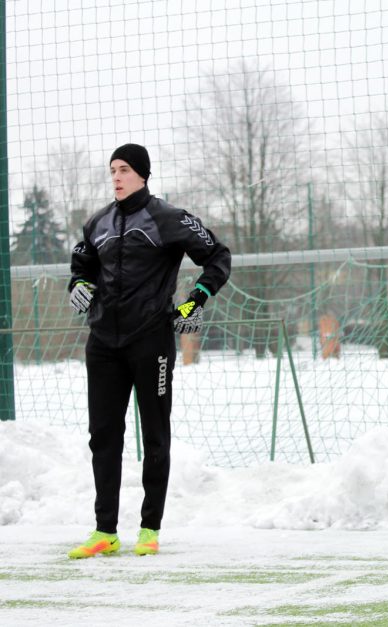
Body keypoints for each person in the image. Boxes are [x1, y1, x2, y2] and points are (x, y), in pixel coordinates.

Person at [67, 143, 232, 558]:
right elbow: (82, 267)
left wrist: (195, 300)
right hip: (103, 342)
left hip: (151, 340)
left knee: (155, 435)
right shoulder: (97, 223)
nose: (116, 177)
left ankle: (149, 528)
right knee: (103, 436)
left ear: (142, 173)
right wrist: (79, 285)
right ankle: (105, 531)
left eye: (123, 169)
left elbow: (217, 257)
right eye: (112, 171)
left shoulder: (169, 218)